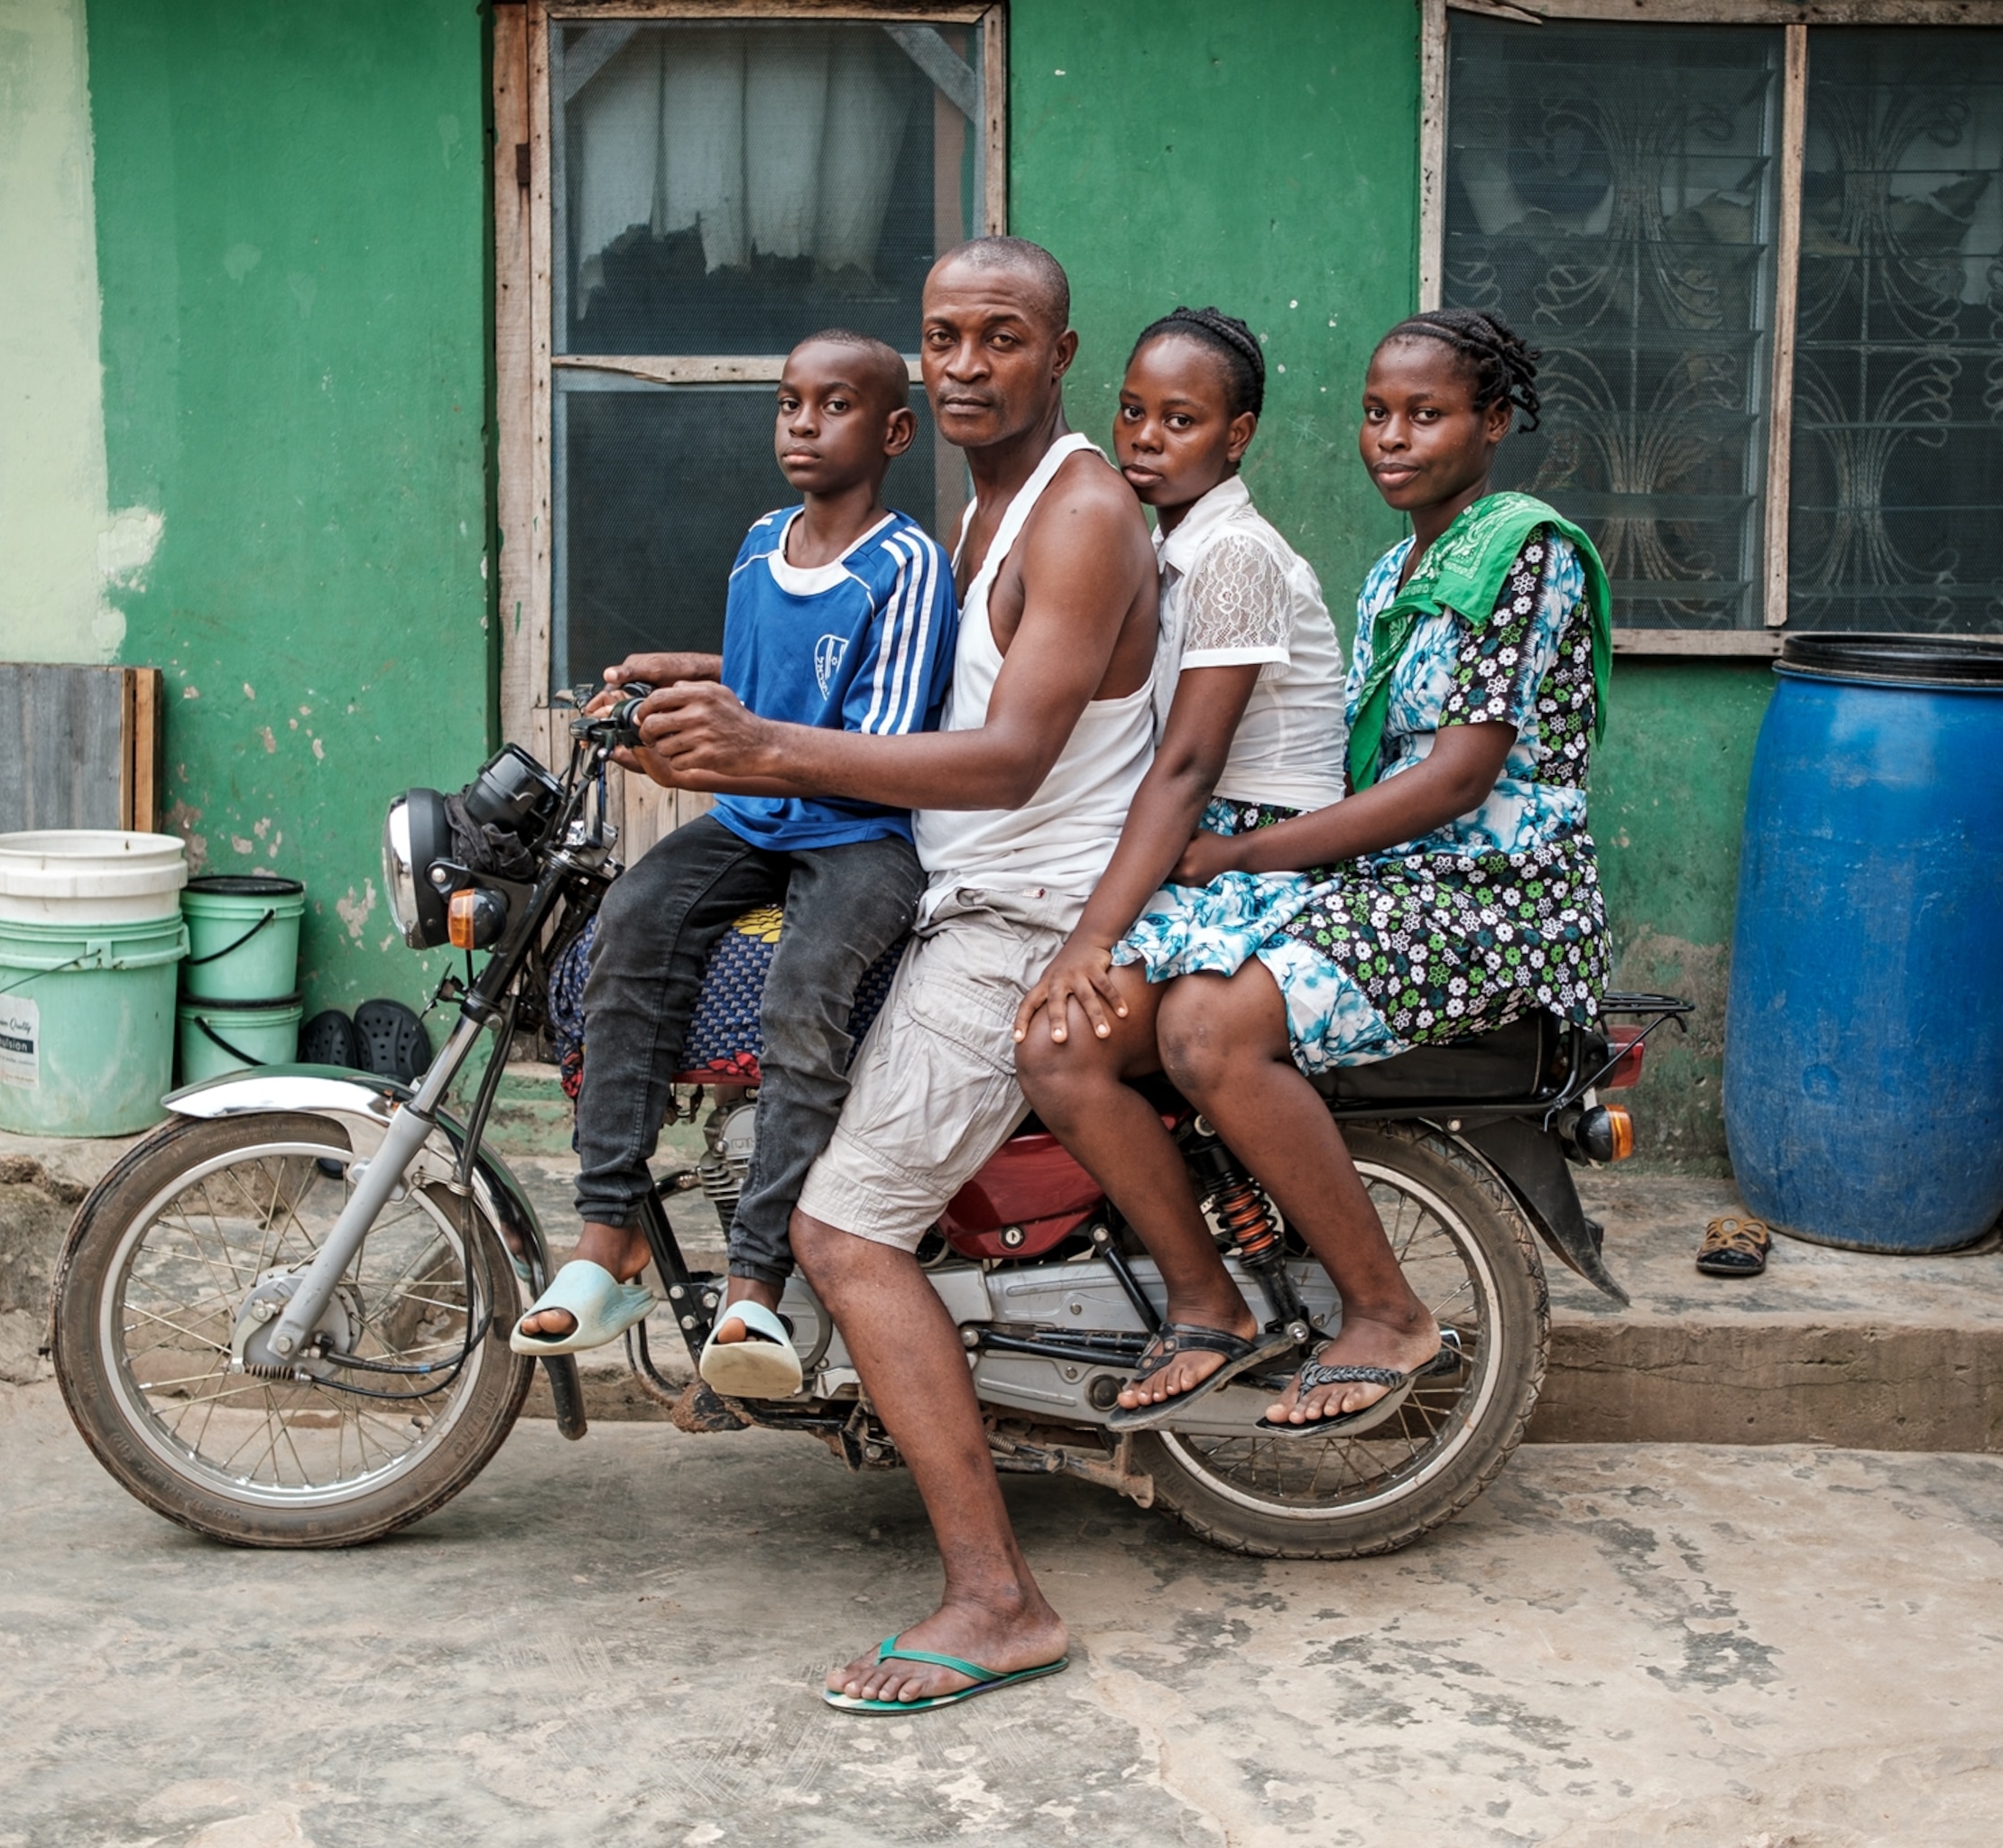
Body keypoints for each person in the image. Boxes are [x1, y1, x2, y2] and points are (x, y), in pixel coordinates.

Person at [623, 236, 1163, 1714]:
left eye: (1003, 335)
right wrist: (720, 693)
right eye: (946, 336)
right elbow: (901, 692)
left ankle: (998, 1594)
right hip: (953, 887)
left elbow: (1008, 757)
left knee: (843, 1228)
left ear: (1060, 354)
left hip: (1014, 920)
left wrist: (766, 750)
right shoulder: (974, 512)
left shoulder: (1080, 515)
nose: (971, 361)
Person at [1032, 307, 1613, 1436]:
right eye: (1376, 414)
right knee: (1069, 1043)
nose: (1391, 438)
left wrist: (1243, 853)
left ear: (1493, 424)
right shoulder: (1402, 563)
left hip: (1493, 896)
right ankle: (1207, 1300)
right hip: (1390, 881)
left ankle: (1386, 1310)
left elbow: (1454, 782)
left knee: (1206, 1029)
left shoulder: (1521, 547)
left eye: (1426, 414)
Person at [512, 329, 958, 1410]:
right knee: (627, 925)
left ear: (894, 431)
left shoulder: (907, 565)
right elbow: (766, 686)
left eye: (836, 405)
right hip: (757, 819)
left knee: (807, 995)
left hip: (860, 832)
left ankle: (756, 1277)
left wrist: (728, 736)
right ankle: (609, 1230)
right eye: (789, 403)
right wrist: (682, 684)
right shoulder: (762, 542)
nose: (804, 424)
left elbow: (869, 743)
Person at [1009, 306, 1346, 1425]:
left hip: (1252, 861)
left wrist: (1094, 934)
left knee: (1060, 1048)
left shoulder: (1237, 555)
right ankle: (1182, 1283)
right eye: (1134, 413)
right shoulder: (1165, 545)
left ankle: (1216, 1299)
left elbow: (1193, 762)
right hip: (1195, 853)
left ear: (1238, 434)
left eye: (1183, 420)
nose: (1147, 438)